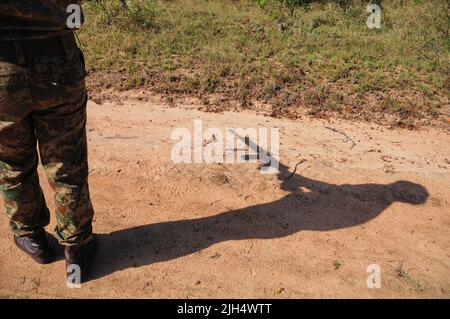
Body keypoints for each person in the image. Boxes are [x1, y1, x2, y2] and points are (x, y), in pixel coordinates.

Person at [0, 1, 95, 282]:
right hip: (57, 60)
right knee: (67, 163)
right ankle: (77, 248)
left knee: (12, 160)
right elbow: (74, 13)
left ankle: (31, 238)